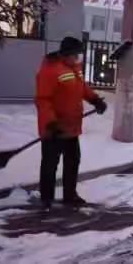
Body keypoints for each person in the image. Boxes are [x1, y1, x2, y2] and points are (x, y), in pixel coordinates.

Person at [35, 36, 107, 210]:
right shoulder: (50, 70)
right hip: (55, 128)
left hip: (71, 127)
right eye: (76, 54)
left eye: (79, 55)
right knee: (50, 165)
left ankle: (70, 195)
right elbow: (43, 99)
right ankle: (46, 199)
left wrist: (95, 100)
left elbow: (81, 88)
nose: (78, 58)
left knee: (73, 162)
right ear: (66, 54)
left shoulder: (74, 67)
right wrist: (50, 123)